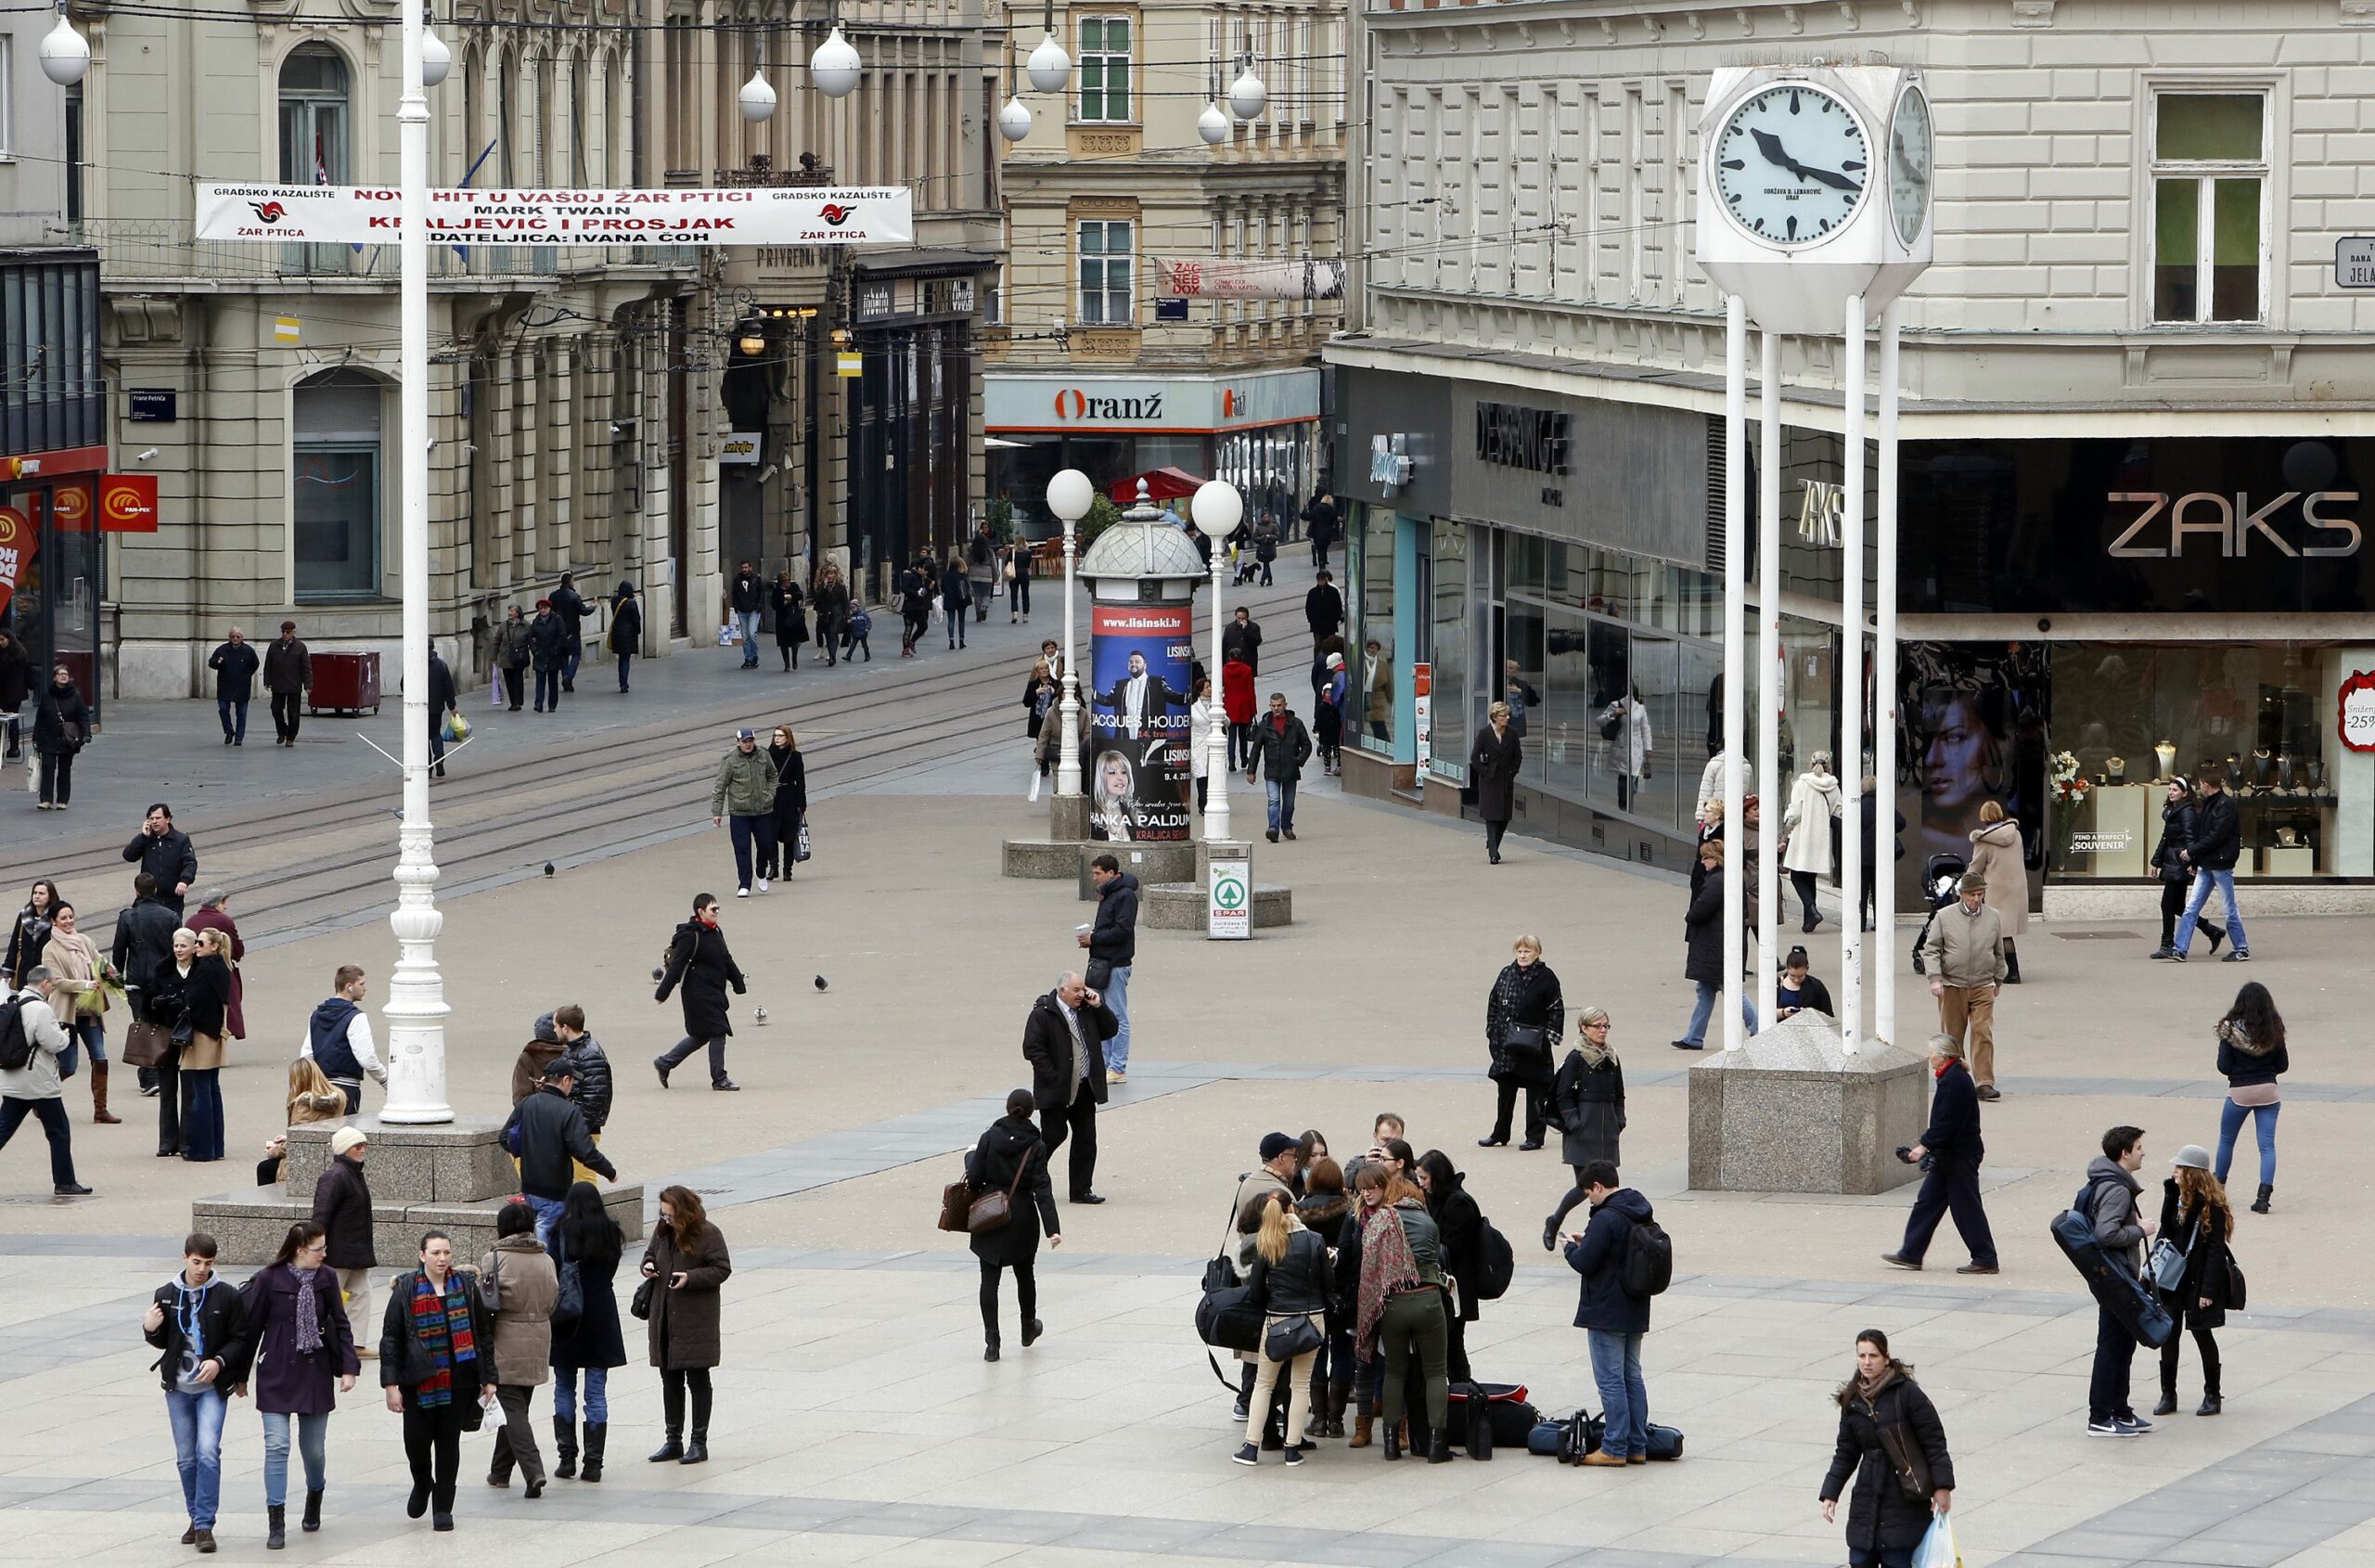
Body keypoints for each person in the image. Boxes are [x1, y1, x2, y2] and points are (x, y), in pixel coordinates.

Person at [233, 1221, 360, 1548]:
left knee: (313, 1451)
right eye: (319, 1249)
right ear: (300, 1250)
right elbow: (252, 1329)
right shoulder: (268, 1278)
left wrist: (349, 1368)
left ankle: (315, 1494)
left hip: (314, 1371)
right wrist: (240, 1375)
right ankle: (276, 1520)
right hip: (276, 1370)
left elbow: (341, 1324)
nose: (325, 1254)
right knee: (277, 1446)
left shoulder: (326, 1277)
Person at [379, 1228, 494, 1532]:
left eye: (446, 1252)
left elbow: (482, 1334)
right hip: (418, 1381)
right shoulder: (405, 1290)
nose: (442, 1259)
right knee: (416, 1442)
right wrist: (391, 1385)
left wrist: (489, 1378)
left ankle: (443, 1508)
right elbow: (391, 1339)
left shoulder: (466, 1287)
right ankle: (422, 1482)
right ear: (422, 1256)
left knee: (448, 1443)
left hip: (460, 1380)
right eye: (435, 1253)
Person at [1818, 1330, 1956, 1568]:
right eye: (1862, 1356)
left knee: (1897, 1558)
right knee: (1860, 1559)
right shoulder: (1853, 1399)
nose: (1867, 1362)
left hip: (1905, 1493)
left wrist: (1942, 1487)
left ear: (1886, 1357)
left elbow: (1934, 1442)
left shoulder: (1907, 1394)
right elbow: (1846, 1452)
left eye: (1873, 1355)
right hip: (1867, 1493)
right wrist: (1830, 1492)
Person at [147, 1232, 247, 1553]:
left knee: (207, 1451)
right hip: (178, 1387)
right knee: (186, 1458)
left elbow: (240, 1338)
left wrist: (219, 1362)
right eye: (197, 1262)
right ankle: (195, 1517)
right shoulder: (166, 1294)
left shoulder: (226, 1296)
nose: (202, 1269)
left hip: (211, 1389)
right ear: (185, 1258)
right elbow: (163, 1341)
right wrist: (150, 1329)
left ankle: (204, 1524)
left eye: (208, 1263)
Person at [1353, 1162, 1450, 1462]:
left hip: (1394, 1303)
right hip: (1429, 1298)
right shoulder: (1428, 1222)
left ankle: (1391, 1445)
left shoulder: (1381, 1220)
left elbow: (1369, 1265)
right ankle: (1436, 1445)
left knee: (1394, 1372)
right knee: (1436, 1372)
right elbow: (1437, 1258)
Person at [1560, 1159, 1653, 1466]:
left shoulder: (1606, 1218)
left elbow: (1585, 1262)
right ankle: (1637, 1445)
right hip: (1634, 1306)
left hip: (1606, 1309)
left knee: (1611, 1381)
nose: (1590, 1199)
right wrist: (1589, 1242)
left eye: (1589, 1194)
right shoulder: (1638, 1210)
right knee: (1632, 1378)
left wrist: (1570, 1248)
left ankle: (1614, 1447)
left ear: (1598, 1186)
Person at [1881, 1035, 1998, 1275]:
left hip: (1959, 1157)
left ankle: (1985, 1258)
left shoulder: (1955, 1081)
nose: (1929, 1056)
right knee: (1927, 1203)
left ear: (1943, 1056)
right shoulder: (1952, 1077)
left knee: (1966, 1208)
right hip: (1949, 1156)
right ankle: (1911, 1253)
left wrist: (1922, 1147)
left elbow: (1945, 1123)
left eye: (1932, 1053)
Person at [1233, 1189, 1329, 1466]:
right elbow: (1328, 1282)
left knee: (1264, 1384)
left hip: (1277, 1319)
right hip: (1312, 1319)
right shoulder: (1314, 1240)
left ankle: (1251, 1447)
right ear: (1292, 1209)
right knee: (1300, 1385)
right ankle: (1292, 1449)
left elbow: (1256, 1293)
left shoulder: (1267, 1243)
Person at [967, 1088, 1062, 1362]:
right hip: (1021, 1217)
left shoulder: (989, 1137)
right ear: (1031, 1113)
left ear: (1008, 1108)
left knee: (989, 1281)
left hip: (989, 1215)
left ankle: (992, 1343)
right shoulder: (1036, 1145)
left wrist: (970, 1158)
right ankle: (1028, 1327)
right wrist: (1053, 1229)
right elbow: (1042, 1188)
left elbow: (974, 1178)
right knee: (1025, 1274)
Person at [641, 1185, 732, 1464]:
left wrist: (690, 1278)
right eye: (663, 1214)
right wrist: (648, 1265)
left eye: (670, 1215)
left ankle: (698, 1442)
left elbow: (722, 1268)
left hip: (695, 1319)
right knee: (669, 1380)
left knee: (697, 1380)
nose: (665, 1219)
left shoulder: (708, 1233)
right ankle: (673, 1440)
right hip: (664, 1317)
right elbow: (650, 1254)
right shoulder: (662, 1231)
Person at [480, 1200, 560, 1496]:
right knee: (517, 1406)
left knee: (513, 1409)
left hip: (505, 1336)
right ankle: (500, 1471)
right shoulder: (546, 1259)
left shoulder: (494, 1258)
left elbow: (485, 1302)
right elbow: (554, 1299)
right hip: (539, 1336)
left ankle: (533, 1470)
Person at [2083, 1125, 2158, 1437]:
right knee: (2112, 1346)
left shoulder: (2107, 1181)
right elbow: (2105, 1233)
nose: (2143, 1152)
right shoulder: (2118, 1189)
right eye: (2139, 1147)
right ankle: (2100, 1417)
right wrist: (2141, 1230)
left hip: (2114, 1276)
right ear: (2124, 1153)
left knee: (2123, 1343)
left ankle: (2120, 1411)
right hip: (2116, 1278)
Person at [548, 1182, 625, 1481]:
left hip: (568, 1314)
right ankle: (593, 1463)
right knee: (596, 1392)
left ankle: (566, 1458)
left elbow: (553, 1271)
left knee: (563, 1387)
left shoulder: (560, 1231)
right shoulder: (611, 1232)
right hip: (601, 1315)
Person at [1021, 972, 1118, 1205]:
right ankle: (1026, 1180)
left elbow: (1111, 1029)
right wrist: (1052, 1076)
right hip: (1057, 1088)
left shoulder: (1087, 1010)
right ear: (1062, 991)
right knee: (1053, 1135)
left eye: (1082, 988)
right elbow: (1032, 1049)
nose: (1081, 994)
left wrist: (1099, 1006)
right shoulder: (1043, 1014)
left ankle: (1081, 1190)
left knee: (1086, 1139)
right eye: (1076, 990)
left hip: (1085, 1086)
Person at [0, 967, 90, 1194]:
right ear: (44, 984)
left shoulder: (12, 1001)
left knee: (3, 1130)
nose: (52, 988)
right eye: (51, 984)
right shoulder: (40, 1008)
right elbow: (53, 1043)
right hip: (38, 1081)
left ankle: (65, 1182)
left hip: (13, 1078)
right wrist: (64, 1036)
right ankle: (65, 1182)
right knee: (59, 1132)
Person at [1921, 871, 2006, 1100]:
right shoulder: (1944, 916)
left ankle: (1984, 1082)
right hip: (1952, 984)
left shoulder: (1993, 917)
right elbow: (1932, 949)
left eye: (1980, 894)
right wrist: (1935, 979)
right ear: (1962, 894)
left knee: (1982, 1031)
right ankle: (1954, 1081)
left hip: (1983, 983)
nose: (1976, 899)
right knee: (1952, 1036)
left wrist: (1998, 979)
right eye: (1971, 895)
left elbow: (1998, 950)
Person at [514, 1058, 618, 1241]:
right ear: (565, 1080)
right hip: (554, 1188)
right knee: (548, 1233)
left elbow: (506, 1137)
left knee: (539, 1226)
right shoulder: (567, 1110)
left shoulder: (527, 1104)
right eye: (572, 1081)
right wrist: (610, 1172)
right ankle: (546, 1260)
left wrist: (528, 1151)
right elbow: (585, 1151)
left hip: (529, 1185)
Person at [1546, 1007, 1624, 1247]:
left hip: (1607, 1129)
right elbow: (1563, 1095)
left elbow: (1619, 1093)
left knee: (1606, 1187)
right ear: (1584, 1028)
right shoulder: (1576, 1058)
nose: (1603, 1030)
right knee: (1587, 1186)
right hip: (1583, 1129)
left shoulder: (1611, 1056)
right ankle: (1556, 1221)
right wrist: (1574, 1122)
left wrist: (1619, 1119)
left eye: (1606, 1026)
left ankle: (1596, 1234)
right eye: (1597, 1026)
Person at [654, 894, 747, 1090]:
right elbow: (677, 965)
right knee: (718, 1030)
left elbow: (726, 958)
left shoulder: (715, 931)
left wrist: (738, 983)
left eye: (717, 908)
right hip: (697, 993)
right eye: (713, 909)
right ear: (701, 911)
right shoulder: (690, 936)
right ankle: (719, 1079)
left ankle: (665, 1062)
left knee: (702, 1035)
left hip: (714, 990)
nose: (717, 912)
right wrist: (663, 992)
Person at [41, 901, 122, 1123]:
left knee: (100, 1057)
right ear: (54, 921)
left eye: (71, 917)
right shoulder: (50, 949)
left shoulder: (84, 941)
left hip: (90, 1012)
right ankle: (41, 1098)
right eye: (63, 918)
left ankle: (100, 1111)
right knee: (68, 1066)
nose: (68, 921)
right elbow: (56, 981)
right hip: (66, 1013)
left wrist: (111, 974)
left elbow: (100, 963)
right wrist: (85, 985)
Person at [1480, 933, 1560, 1150]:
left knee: (1536, 1091)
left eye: (1527, 951)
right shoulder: (1506, 974)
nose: (1523, 955)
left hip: (1534, 1045)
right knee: (1505, 1090)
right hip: (1507, 1044)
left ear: (1537, 953)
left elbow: (1555, 1008)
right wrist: (1492, 1030)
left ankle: (1534, 1136)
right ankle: (1500, 1133)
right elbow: (1493, 1003)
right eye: (1520, 951)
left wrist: (1549, 1036)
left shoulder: (1546, 977)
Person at [2214, 982, 2286, 1214]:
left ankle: (2217, 1190)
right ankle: (2263, 1198)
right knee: (2267, 1146)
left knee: (2227, 1140)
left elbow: (2223, 1066)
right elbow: (2283, 1065)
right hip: (2268, 1092)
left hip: (2240, 1091)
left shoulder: (2230, 1030)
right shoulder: (2274, 1029)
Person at [1413, 1150, 1483, 1385]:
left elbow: (1453, 1248)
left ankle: (1462, 1389)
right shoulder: (1439, 1199)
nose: (1421, 1183)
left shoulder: (1457, 1203)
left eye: (1424, 1178)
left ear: (1437, 1176)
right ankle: (1458, 1388)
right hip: (1447, 1282)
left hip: (1456, 1285)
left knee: (1453, 1343)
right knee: (1450, 1343)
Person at [2171, 766, 2250, 963]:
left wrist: (2192, 852)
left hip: (2221, 863)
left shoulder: (2225, 805)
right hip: (2208, 863)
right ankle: (2180, 949)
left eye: (2201, 784)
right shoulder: (2211, 804)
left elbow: (2216, 836)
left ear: (2207, 785)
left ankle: (2241, 948)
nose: (2199, 787)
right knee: (2191, 907)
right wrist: (2196, 860)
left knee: (2228, 908)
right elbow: (2204, 834)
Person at [312, 1127, 378, 1353]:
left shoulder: (352, 1173)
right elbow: (321, 1215)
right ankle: (321, 1342)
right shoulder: (336, 1176)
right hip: (338, 1252)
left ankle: (354, 1344)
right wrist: (318, 1248)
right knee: (330, 1297)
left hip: (355, 1251)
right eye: (357, 1145)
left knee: (361, 1294)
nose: (363, 1149)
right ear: (344, 1149)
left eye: (364, 1144)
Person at [2149, 778, 2226, 958]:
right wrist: (2155, 861)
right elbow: (2165, 838)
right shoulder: (2174, 810)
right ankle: (2211, 930)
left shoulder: (2187, 812)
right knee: (2177, 906)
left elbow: (2191, 838)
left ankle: (2167, 944)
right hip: (2172, 860)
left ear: (2184, 793)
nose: (2171, 792)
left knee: (2168, 904)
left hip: (2180, 861)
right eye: (2170, 789)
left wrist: (2192, 860)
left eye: (2175, 790)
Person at [179, 927, 236, 1163]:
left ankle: (202, 1149)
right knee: (211, 1087)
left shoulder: (205, 968)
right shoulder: (221, 966)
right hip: (214, 1033)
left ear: (214, 946)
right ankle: (215, 1146)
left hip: (202, 1033)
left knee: (201, 1089)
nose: (196, 947)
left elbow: (194, 999)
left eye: (200, 943)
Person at [1081, 855, 1138, 1084]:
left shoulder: (1124, 896)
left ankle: (1117, 1067)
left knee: (1117, 1016)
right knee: (1101, 1014)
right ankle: (1105, 1065)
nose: (1094, 877)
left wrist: (1094, 938)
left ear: (1111, 873)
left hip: (1115, 964)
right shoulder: (1108, 893)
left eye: (1098, 873)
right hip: (1102, 963)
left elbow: (1122, 930)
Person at [301, 965, 386, 1117]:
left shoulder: (316, 1015)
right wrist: (385, 1080)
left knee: (321, 1129)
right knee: (344, 1130)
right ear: (349, 987)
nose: (365, 988)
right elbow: (367, 1059)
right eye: (361, 984)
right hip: (346, 1088)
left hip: (320, 1087)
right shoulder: (356, 1017)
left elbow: (307, 1055)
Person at [710, 727, 782, 897]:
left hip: (763, 809)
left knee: (766, 844)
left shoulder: (763, 755)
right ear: (738, 743)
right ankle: (744, 884)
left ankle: (761, 871)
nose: (748, 744)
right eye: (744, 742)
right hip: (739, 812)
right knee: (742, 848)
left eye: (750, 741)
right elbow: (720, 786)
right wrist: (717, 812)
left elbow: (773, 775)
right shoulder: (730, 760)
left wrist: (770, 794)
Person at [146, 926, 199, 1156]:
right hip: (167, 1035)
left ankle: (187, 1143)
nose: (178, 950)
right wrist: (156, 1004)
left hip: (191, 1037)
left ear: (194, 948)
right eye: (176, 945)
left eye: (183, 946)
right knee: (167, 1090)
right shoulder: (163, 969)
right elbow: (148, 1001)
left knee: (189, 1091)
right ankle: (167, 1143)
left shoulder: (201, 969)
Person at [259, 1060, 347, 1188]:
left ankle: (272, 1200)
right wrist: (288, 1137)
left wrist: (272, 1151)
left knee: (264, 1168)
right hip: (329, 1155)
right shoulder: (336, 1098)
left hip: (305, 1160)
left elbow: (297, 1143)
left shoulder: (304, 1105)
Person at [1965, 800, 2026, 982]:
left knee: (1998, 932)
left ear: (1983, 817)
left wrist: (1965, 881)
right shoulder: (2016, 834)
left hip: (1997, 890)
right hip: (2016, 888)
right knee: (2004, 932)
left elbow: (1976, 868)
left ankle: (2012, 973)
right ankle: (2009, 970)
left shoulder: (1984, 841)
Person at [1781, 753, 1842, 932]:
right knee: (1810, 878)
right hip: (1822, 837)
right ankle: (1809, 920)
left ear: (1811, 763)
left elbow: (1795, 812)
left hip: (1803, 835)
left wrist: (1787, 822)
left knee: (1796, 877)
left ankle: (1811, 909)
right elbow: (1839, 811)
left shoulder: (1802, 783)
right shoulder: (1833, 786)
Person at [1246, 692, 1314, 844]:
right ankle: (1273, 829)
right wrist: (1251, 771)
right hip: (1272, 769)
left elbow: (1307, 745)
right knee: (1274, 800)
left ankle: (1287, 826)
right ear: (1270, 706)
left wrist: (1298, 760)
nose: (1276, 708)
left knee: (1289, 803)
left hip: (1290, 769)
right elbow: (1256, 749)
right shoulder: (1265, 725)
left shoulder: (1295, 723)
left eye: (1279, 705)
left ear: (1285, 705)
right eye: (1273, 706)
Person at [186, 890, 247, 1045]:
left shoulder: (191, 920)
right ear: (217, 903)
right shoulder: (224, 921)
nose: (225, 907)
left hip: (195, 969)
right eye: (223, 903)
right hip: (220, 969)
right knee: (226, 1007)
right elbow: (236, 948)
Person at [1470, 700, 1523, 864]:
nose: (1507, 718)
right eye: (1503, 715)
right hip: (1490, 780)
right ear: (1494, 717)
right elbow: (1474, 757)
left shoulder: (1512, 733)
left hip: (1506, 779)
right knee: (1492, 816)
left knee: (1504, 817)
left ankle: (1492, 842)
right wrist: (1486, 772)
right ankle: (1493, 853)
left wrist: (1512, 772)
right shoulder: (1484, 733)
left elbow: (1518, 756)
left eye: (1507, 715)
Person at [125, 802, 199, 917]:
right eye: (151, 819)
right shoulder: (146, 839)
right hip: (148, 899)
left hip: (172, 899)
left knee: (172, 926)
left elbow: (190, 863)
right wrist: (143, 837)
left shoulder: (180, 839)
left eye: (158, 818)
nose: (154, 822)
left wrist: (184, 881)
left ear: (168, 819)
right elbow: (129, 856)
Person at [1097, 649, 1188, 740]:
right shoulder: (1120, 685)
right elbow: (1108, 700)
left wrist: (1189, 695)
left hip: (1151, 739)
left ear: (1145, 665)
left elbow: (1174, 697)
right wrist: (1094, 694)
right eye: (1131, 662)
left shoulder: (1157, 683)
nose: (1133, 664)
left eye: (1137, 662)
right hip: (1125, 738)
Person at [32, 664, 88, 809]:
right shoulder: (47, 695)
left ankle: (63, 800)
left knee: (64, 769)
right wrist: (36, 737)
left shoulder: (75, 696)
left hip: (67, 739)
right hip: (48, 737)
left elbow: (83, 717)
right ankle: (46, 799)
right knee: (47, 768)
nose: (64, 676)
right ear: (54, 677)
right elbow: (40, 717)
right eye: (61, 674)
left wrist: (85, 734)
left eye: (66, 674)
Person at [765, 726, 807, 881]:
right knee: (770, 834)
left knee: (790, 835)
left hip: (790, 798)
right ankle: (773, 866)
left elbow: (800, 781)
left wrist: (802, 803)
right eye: (775, 736)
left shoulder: (795, 756)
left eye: (780, 736)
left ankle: (787, 870)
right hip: (772, 798)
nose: (777, 738)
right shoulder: (767, 755)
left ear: (788, 738)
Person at [208, 628, 260, 746]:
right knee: (223, 709)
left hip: (242, 686)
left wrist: (247, 675)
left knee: (241, 713)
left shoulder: (248, 651)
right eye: (233, 637)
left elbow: (255, 664)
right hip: (225, 685)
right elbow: (211, 663)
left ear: (242, 638)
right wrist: (218, 662)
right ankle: (229, 731)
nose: (235, 639)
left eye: (238, 637)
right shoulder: (222, 650)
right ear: (229, 638)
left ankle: (239, 737)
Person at [1605, 685, 1654, 812]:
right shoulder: (1619, 706)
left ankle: (1629, 796)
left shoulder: (1640, 709)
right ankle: (1623, 803)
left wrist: (1648, 748)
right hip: (1622, 745)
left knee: (1633, 777)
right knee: (1623, 776)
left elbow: (1645, 728)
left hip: (1636, 746)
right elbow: (1609, 721)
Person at [5, 877, 59, 989]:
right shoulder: (24, 916)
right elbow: (14, 945)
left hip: (46, 976)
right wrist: (7, 971)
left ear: (50, 896)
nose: (37, 896)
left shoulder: (56, 918)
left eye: (41, 893)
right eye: (35, 893)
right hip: (25, 975)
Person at [263, 621, 312, 747]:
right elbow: (268, 664)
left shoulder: (300, 647)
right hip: (278, 684)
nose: (285, 634)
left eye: (288, 632)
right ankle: (282, 731)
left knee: (293, 713)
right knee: (276, 709)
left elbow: (306, 668)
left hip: (293, 685)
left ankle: (291, 737)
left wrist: (308, 685)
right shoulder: (274, 645)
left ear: (293, 632)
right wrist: (267, 681)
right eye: (283, 632)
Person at [551, 572, 594, 692]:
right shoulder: (574, 597)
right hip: (572, 631)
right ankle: (568, 677)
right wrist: (594, 606)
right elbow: (584, 611)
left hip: (558, 631)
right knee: (576, 654)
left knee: (563, 656)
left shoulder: (553, 596)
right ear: (570, 582)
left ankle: (566, 678)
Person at [528, 598, 568, 712]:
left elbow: (562, 635)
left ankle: (552, 705)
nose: (543, 610)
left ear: (549, 608)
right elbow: (530, 638)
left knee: (552, 681)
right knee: (540, 680)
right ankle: (538, 704)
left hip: (553, 655)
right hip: (540, 655)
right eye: (540, 608)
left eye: (545, 608)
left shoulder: (557, 619)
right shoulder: (536, 621)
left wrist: (555, 649)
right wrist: (535, 651)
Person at [425, 646, 458, 779]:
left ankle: (427, 767)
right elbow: (449, 688)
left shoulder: (414, 663)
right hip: (436, 707)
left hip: (419, 708)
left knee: (422, 738)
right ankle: (439, 759)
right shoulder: (441, 665)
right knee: (435, 734)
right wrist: (452, 706)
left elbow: (403, 684)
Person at [1777, 945, 1835, 1020]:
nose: (1796, 980)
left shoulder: (1816, 986)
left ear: (1807, 968)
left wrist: (1810, 1014)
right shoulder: (1777, 985)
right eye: (1792, 976)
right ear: (1787, 968)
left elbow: (1828, 1016)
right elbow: (1766, 1013)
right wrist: (1783, 1012)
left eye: (1801, 976)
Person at [1222, 650, 1257, 772]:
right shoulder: (1247, 669)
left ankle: (1231, 761)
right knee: (1243, 735)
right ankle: (1243, 759)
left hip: (1230, 705)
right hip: (1244, 705)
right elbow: (1250, 690)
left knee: (1231, 736)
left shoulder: (1224, 669)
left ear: (1230, 657)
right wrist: (1253, 709)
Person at [1186, 675, 1216, 812]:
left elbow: (1226, 721)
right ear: (1200, 690)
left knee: (1214, 774)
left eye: (1210, 686)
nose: (1210, 689)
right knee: (1202, 775)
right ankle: (1203, 804)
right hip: (1199, 745)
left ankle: (1212, 801)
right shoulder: (1193, 707)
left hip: (1214, 744)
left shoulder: (1216, 704)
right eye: (1207, 687)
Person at [1315, 652, 1348, 776]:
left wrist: (1334, 703)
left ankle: (1341, 766)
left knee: (1342, 739)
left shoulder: (1339, 676)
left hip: (1343, 711)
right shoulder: (1346, 672)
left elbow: (1338, 695)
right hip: (1345, 711)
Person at [767, 570, 808, 671]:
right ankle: (787, 664)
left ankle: (794, 658)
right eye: (784, 581)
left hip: (793, 617)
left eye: (787, 581)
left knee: (795, 642)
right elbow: (774, 605)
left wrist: (791, 597)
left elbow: (800, 595)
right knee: (783, 642)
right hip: (782, 618)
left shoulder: (793, 586)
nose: (786, 583)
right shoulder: (777, 590)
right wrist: (783, 603)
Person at [810, 563, 850, 666]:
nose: (830, 576)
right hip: (825, 613)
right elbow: (817, 598)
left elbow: (845, 601)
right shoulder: (822, 586)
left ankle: (832, 656)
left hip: (836, 613)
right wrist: (824, 587)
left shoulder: (840, 586)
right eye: (828, 574)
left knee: (833, 633)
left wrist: (847, 615)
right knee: (827, 634)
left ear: (835, 575)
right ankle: (831, 654)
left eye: (832, 574)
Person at [607, 581, 642, 692]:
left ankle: (621, 681)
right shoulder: (631, 603)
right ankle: (624, 683)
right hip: (628, 634)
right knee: (626, 658)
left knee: (621, 658)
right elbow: (636, 620)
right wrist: (638, 631)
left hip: (617, 632)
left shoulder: (614, 601)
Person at [495, 605, 533, 711]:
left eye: (512, 611)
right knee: (509, 680)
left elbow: (531, 640)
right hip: (506, 657)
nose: (509, 613)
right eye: (509, 611)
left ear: (517, 613)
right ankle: (513, 702)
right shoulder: (503, 626)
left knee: (518, 678)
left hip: (519, 657)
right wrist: (493, 656)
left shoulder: (526, 625)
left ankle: (518, 701)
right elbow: (496, 641)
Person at [728, 559, 764, 668]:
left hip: (753, 610)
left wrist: (759, 606)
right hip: (742, 611)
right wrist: (736, 607)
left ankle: (754, 656)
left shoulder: (756, 578)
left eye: (746, 567)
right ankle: (748, 658)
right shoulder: (737, 579)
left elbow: (761, 592)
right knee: (745, 637)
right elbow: (734, 593)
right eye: (742, 567)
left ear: (750, 568)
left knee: (752, 633)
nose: (744, 569)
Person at [0, 627, 27, 761]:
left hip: (9, 692)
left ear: (9, 639)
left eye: (2, 639)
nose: (1, 642)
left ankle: (13, 747)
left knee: (10, 718)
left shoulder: (12, 656)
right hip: (15, 692)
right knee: (12, 718)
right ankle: (13, 747)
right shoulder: (19, 652)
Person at [1304, 569, 1344, 653]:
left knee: (1331, 645)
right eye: (1319, 580)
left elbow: (1338, 606)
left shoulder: (1333, 592)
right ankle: (1318, 660)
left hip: (1330, 624)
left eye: (1322, 580)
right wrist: (1311, 620)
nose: (1321, 582)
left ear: (1326, 579)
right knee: (1318, 645)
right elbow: (1308, 608)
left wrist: (1335, 619)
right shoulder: (1312, 593)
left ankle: (1329, 659)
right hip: (1317, 625)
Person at [940, 551, 972, 649]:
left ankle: (951, 642)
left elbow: (943, 588)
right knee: (961, 620)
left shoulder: (945, 575)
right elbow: (967, 587)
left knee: (951, 620)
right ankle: (961, 641)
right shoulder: (962, 575)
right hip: (961, 599)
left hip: (950, 599)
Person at [968, 523, 998, 621]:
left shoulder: (971, 551)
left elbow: (968, 563)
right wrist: (996, 577)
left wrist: (966, 575)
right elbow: (993, 565)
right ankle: (984, 607)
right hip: (987, 575)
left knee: (977, 594)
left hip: (974, 574)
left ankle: (978, 613)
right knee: (986, 594)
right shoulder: (989, 551)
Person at [1222, 607, 1264, 676]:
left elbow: (1257, 641)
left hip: (1247, 663)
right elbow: (1224, 647)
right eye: (1238, 618)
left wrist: (1246, 630)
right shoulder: (1229, 628)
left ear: (1247, 618)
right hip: (1232, 665)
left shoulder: (1254, 627)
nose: (1240, 620)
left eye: (1243, 618)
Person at [1303, 491, 1339, 571]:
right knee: (1324, 549)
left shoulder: (1317, 508)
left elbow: (1308, 517)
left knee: (1319, 550)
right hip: (1327, 533)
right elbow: (1334, 521)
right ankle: (1324, 563)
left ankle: (1321, 566)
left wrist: (1304, 512)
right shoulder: (1332, 510)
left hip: (1317, 532)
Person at [1007, 535, 1033, 623]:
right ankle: (1025, 615)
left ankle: (1014, 613)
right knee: (1025, 595)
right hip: (1024, 574)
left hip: (1014, 574)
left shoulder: (1012, 552)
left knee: (1014, 595)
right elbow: (1028, 564)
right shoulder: (1028, 553)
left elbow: (1006, 562)